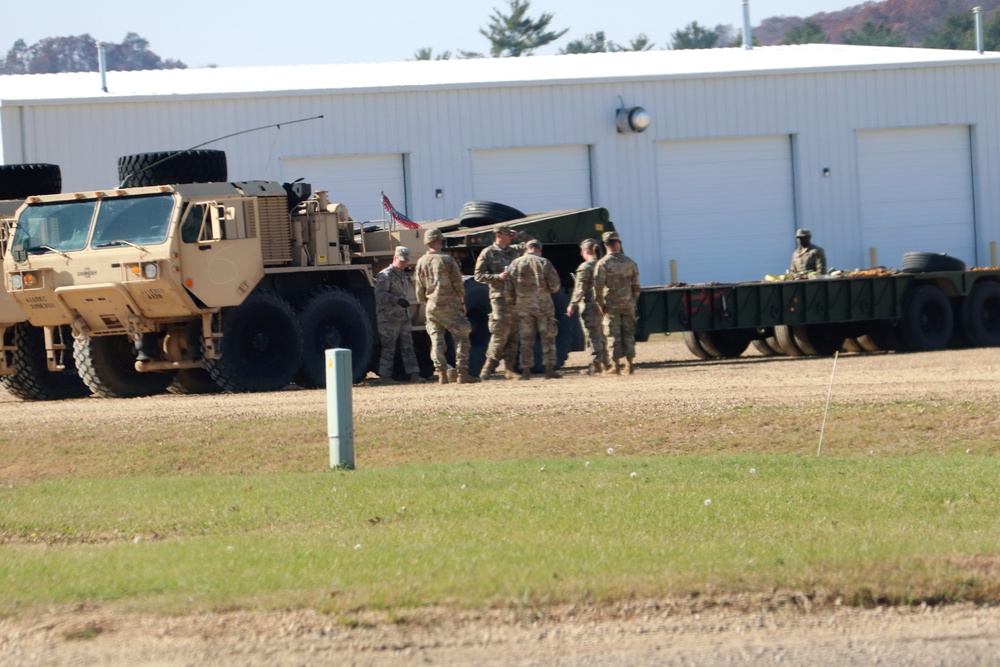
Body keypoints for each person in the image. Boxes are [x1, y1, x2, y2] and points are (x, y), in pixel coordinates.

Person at [414, 228, 480, 384]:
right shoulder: (447, 260)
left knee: (436, 339)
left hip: (431, 305)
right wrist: (462, 301)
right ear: (439, 241)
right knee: (462, 335)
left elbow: (419, 287)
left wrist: (425, 302)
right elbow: (458, 282)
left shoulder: (421, 261)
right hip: (449, 304)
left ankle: (442, 374)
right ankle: (462, 373)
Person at [474, 223, 534, 381]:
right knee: (500, 331)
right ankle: (487, 367)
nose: (510, 236)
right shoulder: (488, 252)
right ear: (498, 235)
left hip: (515, 296)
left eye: (510, 234)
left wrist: (519, 234)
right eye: (507, 234)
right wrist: (496, 278)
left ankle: (509, 368)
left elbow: (534, 244)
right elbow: (478, 275)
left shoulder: (514, 250)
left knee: (515, 331)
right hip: (499, 296)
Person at [505, 239, 562, 380]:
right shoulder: (544, 263)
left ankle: (525, 371)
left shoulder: (515, 264)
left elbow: (508, 289)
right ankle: (549, 369)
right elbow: (555, 286)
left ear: (526, 249)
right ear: (539, 249)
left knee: (525, 339)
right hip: (543, 306)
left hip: (523, 307)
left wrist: (514, 303)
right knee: (548, 337)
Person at [374, 246, 423, 384]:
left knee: (408, 347)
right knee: (388, 348)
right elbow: (379, 295)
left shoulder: (402, 274)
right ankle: (385, 376)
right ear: (394, 258)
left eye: (406, 261)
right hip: (389, 318)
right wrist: (396, 300)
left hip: (403, 317)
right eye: (402, 261)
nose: (404, 263)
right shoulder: (385, 275)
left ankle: (414, 374)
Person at [594, 231, 641, 375]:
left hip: (611, 305)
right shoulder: (629, 262)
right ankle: (630, 364)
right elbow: (636, 286)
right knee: (628, 334)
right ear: (617, 243)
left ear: (605, 245)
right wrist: (632, 301)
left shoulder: (602, 264)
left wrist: (600, 305)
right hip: (627, 304)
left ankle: (616, 366)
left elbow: (598, 288)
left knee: (613, 335)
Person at [567, 238, 608, 375]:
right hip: (605, 305)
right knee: (602, 334)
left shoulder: (584, 268)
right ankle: (606, 362)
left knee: (592, 334)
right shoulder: (603, 265)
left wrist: (572, 305)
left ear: (586, 251)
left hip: (590, 305)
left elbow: (580, 289)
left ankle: (597, 363)